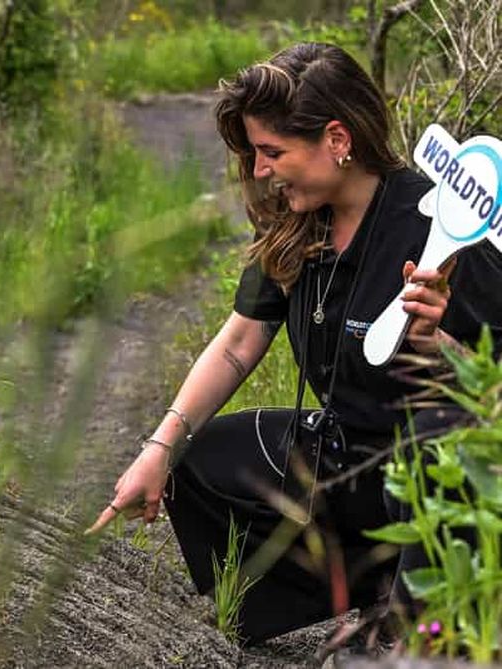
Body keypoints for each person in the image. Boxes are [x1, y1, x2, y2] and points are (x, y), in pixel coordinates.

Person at [87, 42, 502, 646]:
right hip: (343, 463)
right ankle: (365, 589)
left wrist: (442, 348)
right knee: (197, 461)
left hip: (435, 479)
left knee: (435, 446)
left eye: (272, 152)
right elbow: (239, 341)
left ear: (337, 139)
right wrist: (159, 447)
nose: (260, 171)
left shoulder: (439, 224)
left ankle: (422, 628)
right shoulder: (299, 221)